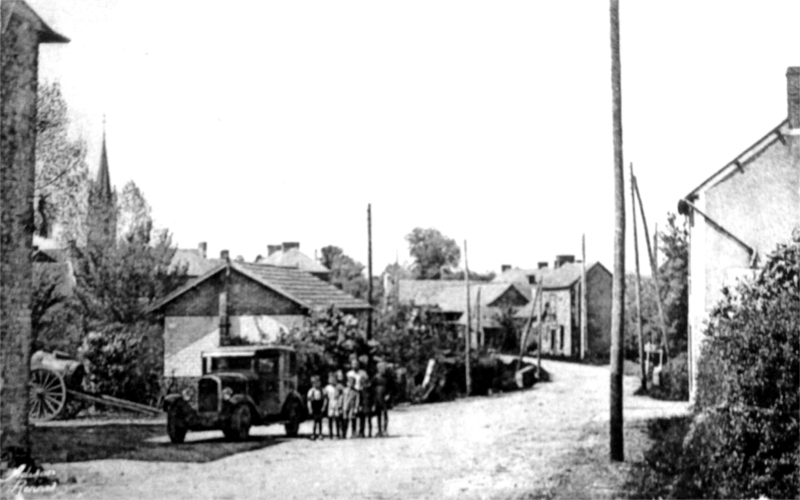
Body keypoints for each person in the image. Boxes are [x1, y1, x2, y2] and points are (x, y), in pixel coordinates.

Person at [372, 363, 390, 437]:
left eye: (384, 368)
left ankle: (385, 430)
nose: (383, 370)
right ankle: (379, 430)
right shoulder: (375, 377)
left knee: (385, 413)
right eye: (381, 368)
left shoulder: (387, 377)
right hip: (377, 397)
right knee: (378, 414)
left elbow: (391, 387)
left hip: (385, 397)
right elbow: (372, 388)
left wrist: (388, 395)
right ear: (378, 369)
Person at [322, 373, 340, 439]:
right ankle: (331, 434)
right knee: (330, 419)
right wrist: (324, 406)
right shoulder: (327, 388)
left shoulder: (338, 387)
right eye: (331, 379)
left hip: (337, 402)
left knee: (337, 419)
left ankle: (338, 434)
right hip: (330, 403)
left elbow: (341, 396)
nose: (332, 380)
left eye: (334, 379)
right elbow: (325, 398)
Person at [307, 375, 324, 440]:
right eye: (315, 383)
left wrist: (323, 407)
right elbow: (308, 401)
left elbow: (324, 399)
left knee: (320, 421)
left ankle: (320, 434)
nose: (316, 384)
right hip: (314, 406)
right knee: (314, 421)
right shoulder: (311, 391)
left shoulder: (321, 390)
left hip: (319, 406)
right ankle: (313, 434)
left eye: (318, 382)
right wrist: (310, 408)